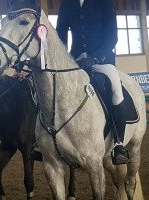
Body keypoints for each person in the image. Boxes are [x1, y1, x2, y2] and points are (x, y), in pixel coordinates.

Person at [56, 0, 130, 165]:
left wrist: (95, 57)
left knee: (116, 89)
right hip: (74, 61)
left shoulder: (104, 2)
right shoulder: (67, 3)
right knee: (54, 89)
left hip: (101, 60)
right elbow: (60, 32)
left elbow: (112, 36)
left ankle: (118, 143)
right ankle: (47, 138)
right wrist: (64, 57)